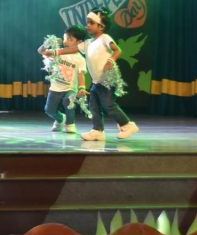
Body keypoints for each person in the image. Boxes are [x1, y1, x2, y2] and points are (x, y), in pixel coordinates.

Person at [50, 9, 139, 141]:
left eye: (91, 23)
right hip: (97, 81)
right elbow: (71, 49)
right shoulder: (88, 43)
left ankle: (127, 125)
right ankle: (97, 130)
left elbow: (117, 50)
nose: (88, 25)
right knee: (94, 106)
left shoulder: (105, 38)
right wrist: (53, 52)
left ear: (101, 26)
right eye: (87, 22)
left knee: (108, 105)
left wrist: (110, 60)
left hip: (107, 80)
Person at [37, 26, 88, 134]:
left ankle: (70, 124)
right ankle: (61, 119)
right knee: (49, 110)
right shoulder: (58, 52)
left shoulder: (80, 59)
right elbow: (41, 51)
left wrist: (82, 88)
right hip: (55, 88)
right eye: (65, 38)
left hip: (70, 88)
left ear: (79, 42)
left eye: (70, 39)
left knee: (69, 102)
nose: (66, 41)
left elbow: (81, 75)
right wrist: (47, 43)